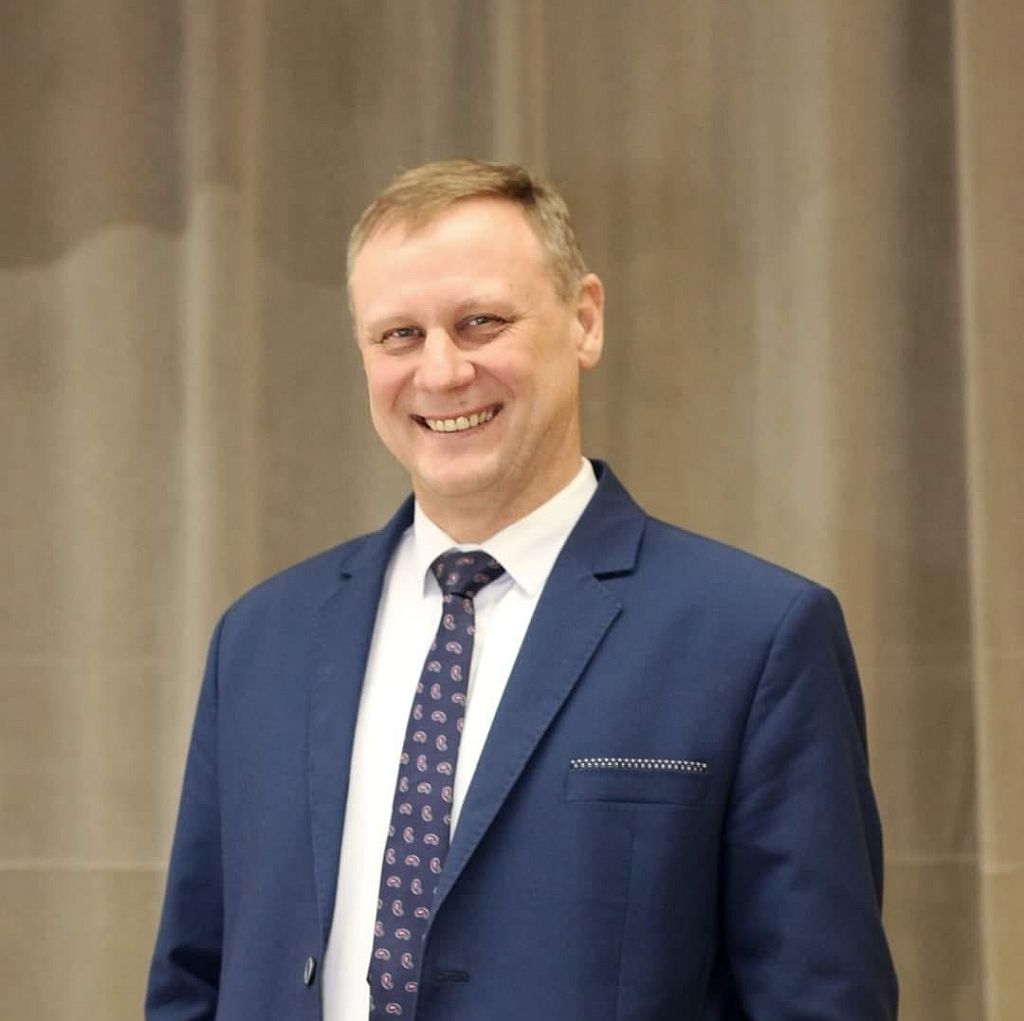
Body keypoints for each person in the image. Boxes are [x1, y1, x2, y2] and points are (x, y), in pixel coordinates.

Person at [146, 159, 898, 1020]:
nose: (441, 372)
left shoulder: (755, 638)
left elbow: (820, 1000)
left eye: (481, 322)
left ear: (585, 320)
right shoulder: (260, 641)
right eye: (399, 335)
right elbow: (193, 981)